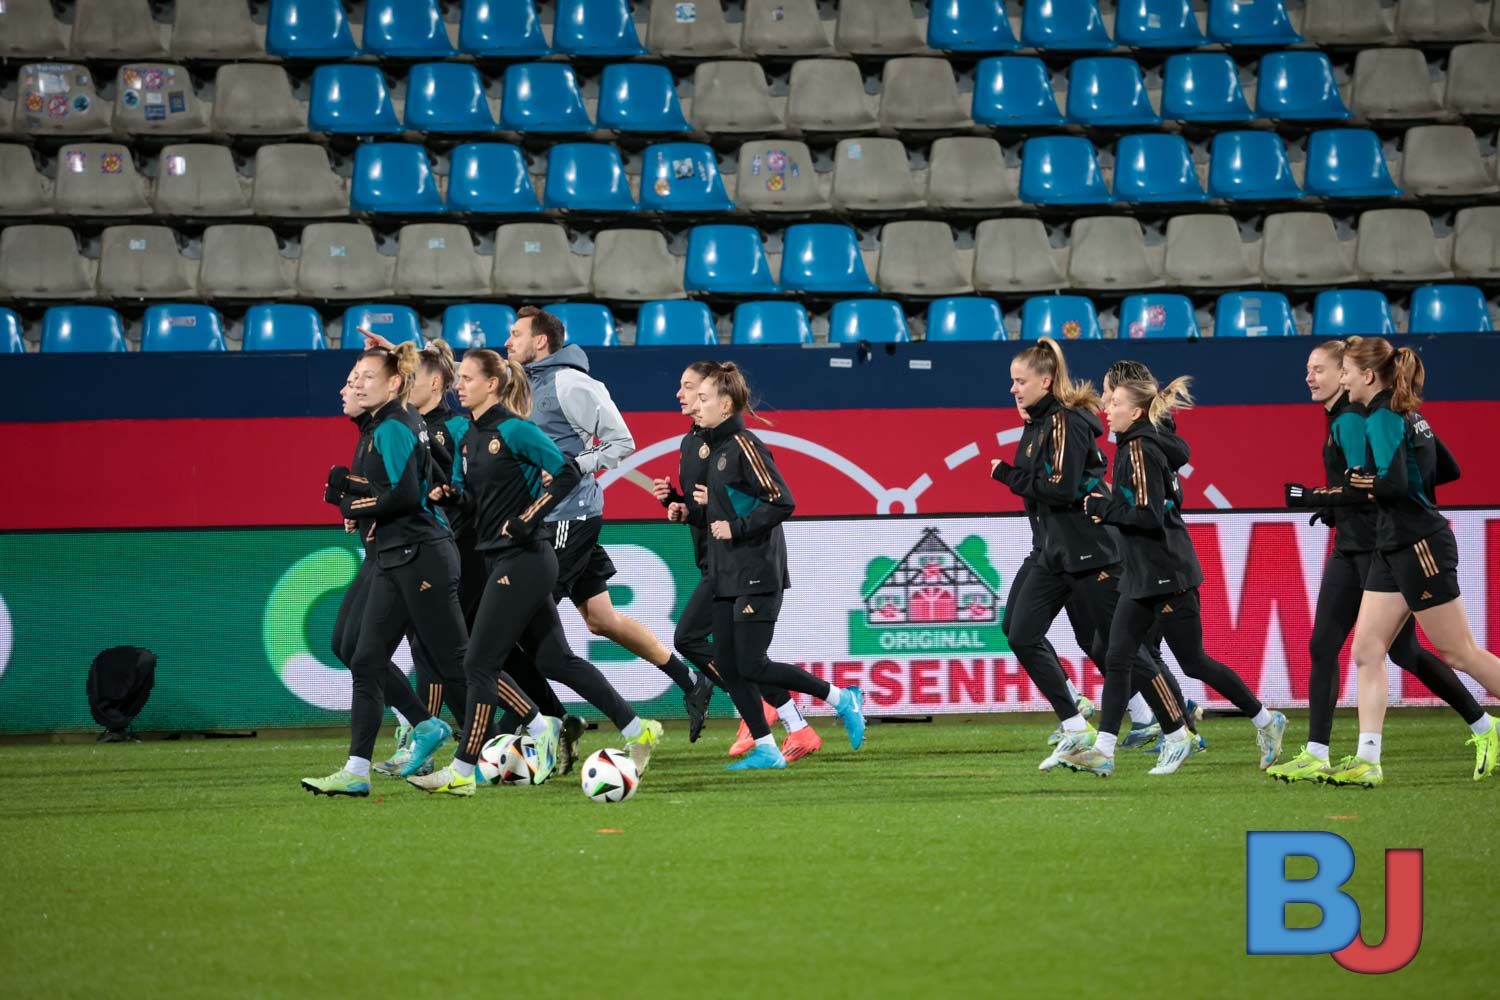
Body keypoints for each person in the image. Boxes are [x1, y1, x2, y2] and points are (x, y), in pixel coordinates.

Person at [410, 350, 662, 795]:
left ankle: (465, 770)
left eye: (467, 378)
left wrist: (530, 517)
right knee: (553, 660)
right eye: (459, 378)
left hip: (526, 559)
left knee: (478, 662)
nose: (458, 386)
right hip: (499, 558)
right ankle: (638, 729)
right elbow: (471, 502)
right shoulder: (468, 436)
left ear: (492, 384)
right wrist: (450, 496)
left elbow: (564, 473)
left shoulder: (517, 430)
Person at [1284, 336, 1500, 788]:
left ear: (1367, 375)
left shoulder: (1382, 416)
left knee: (1459, 652)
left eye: (1344, 371)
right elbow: (1449, 469)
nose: (1343, 380)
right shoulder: (1407, 413)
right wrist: (1392, 483)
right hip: (1392, 547)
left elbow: (1395, 485)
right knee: (1366, 651)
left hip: (1418, 544)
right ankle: (1368, 759)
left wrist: (1346, 488)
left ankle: (1488, 727)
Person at [1057, 366, 1288, 777]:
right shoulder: (1135, 445)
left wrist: (1102, 508)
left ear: (1137, 411)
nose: (1106, 408)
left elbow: (1148, 516)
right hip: (1142, 573)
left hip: (1166, 571)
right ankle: (1105, 750)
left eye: (1115, 402)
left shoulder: (1139, 449)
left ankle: (1266, 721)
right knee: (1117, 655)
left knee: (1193, 661)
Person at [988, 339, 1185, 774]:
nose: (1013, 389)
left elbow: (1059, 489)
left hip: (1090, 552)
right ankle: (1076, 726)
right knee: (1020, 633)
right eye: (1012, 382)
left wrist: (1006, 475)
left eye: (1020, 382)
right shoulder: (1040, 423)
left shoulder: (1065, 422)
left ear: (1045, 381)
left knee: (1120, 649)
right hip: (1053, 551)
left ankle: (1178, 731)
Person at [504, 307, 703, 722]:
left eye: (516, 334)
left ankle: (541, 721)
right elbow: (469, 376)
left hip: (567, 518)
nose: (508, 342)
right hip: (549, 517)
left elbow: (621, 442)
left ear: (540, 341)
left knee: (520, 620)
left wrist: (573, 466)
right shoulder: (523, 380)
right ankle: (690, 681)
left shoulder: (570, 382)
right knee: (601, 619)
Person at [302, 345, 478, 796]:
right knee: (363, 657)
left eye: (364, 377)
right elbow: (399, 485)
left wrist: (351, 504)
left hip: (421, 555)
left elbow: (406, 495)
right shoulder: (381, 426)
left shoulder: (393, 426)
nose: (353, 385)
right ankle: (361, 768)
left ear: (394, 383)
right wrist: (352, 488)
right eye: (352, 377)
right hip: (398, 555)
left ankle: (503, 742)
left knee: (456, 663)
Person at [689, 363, 865, 770]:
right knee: (728, 666)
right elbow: (735, 503)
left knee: (752, 664)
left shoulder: (745, 445)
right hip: (725, 572)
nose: (696, 406)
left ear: (726, 404)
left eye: (703, 398)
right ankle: (768, 749)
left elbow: (782, 501)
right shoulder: (716, 449)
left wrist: (735, 527)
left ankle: (840, 697)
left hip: (756, 569)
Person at [653, 361, 821, 760]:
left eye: (691, 388)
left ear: (717, 397)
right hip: (714, 559)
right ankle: (793, 724)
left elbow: (765, 503)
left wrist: (725, 521)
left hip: (736, 563)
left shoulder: (733, 443)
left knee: (710, 647)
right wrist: (676, 504)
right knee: (738, 660)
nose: (682, 395)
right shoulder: (692, 442)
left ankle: (789, 707)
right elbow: (708, 509)